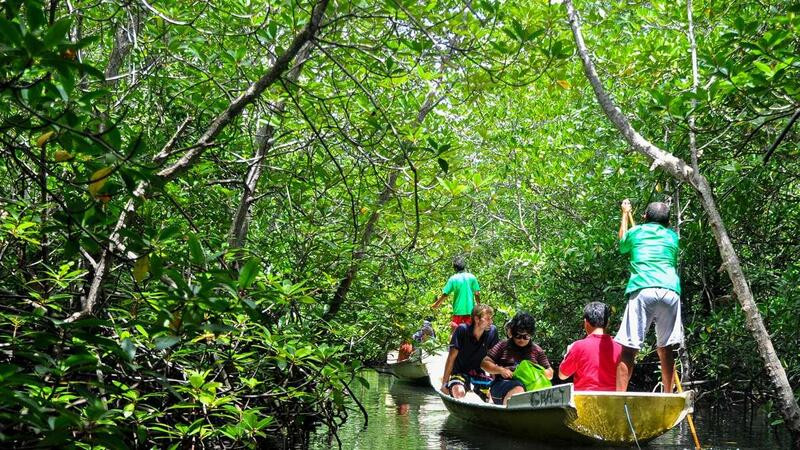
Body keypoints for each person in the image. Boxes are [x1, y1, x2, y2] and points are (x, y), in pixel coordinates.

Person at [615, 199, 682, 393]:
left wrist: (625, 214)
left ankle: (619, 398)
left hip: (643, 289)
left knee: (629, 350)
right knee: (666, 348)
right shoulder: (672, 237)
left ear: (644, 217)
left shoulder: (636, 232)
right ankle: (668, 396)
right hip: (670, 291)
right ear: (668, 223)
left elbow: (622, 244)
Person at [481, 312, 553, 406]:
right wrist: (500, 370)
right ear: (512, 333)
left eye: (526, 336)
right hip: (503, 386)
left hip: (530, 390)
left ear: (531, 335)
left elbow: (550, 372)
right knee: (518, 389)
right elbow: (484, 363)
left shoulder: (537, 350)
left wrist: (537, 373)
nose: (521, 339)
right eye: (518, 335)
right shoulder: (502, 346)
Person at [558, 302, 622, 391]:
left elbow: (562, 375)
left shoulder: (578, 346)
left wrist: (567, 353)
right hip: (612, 401)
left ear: (586, 322)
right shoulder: (620, 348)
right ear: (607, 323)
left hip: (584, 401)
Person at [440, 304, 498, 400]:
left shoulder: (492, 332)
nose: (491, 322)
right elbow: (451, 358)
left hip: (478, 373)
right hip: (459, 373)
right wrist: (444, 384)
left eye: (491, 318)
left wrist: (496, 384)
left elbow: (492, 360)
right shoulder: (462, 330)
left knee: (491, 398)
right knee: (459, 392)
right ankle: (451, 384)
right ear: (476, 319)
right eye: (487, 319)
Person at [432, 257, 480, 331]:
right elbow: (477, 293)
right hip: (470, 311)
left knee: (455, 334)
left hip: (458, 311)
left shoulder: (453, 279)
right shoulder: (472, 277)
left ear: (454, 268)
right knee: (470, 334)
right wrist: (478, 305)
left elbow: (445, 294)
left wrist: (436, 304)